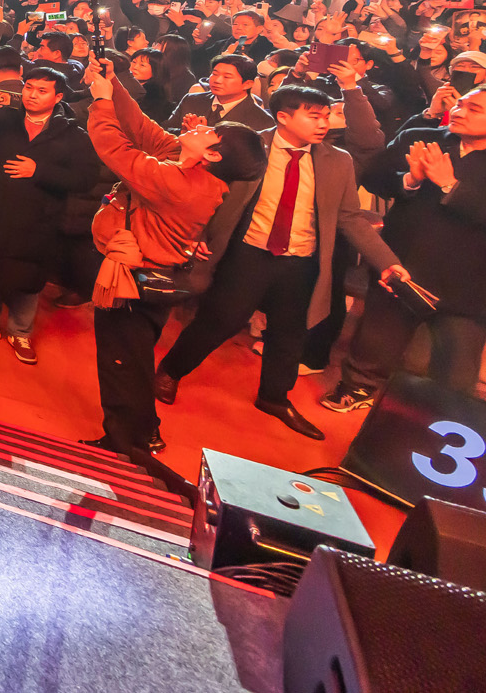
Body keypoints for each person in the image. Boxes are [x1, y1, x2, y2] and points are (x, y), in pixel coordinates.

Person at [151, 84, 396, 440]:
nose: (324, 123)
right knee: (219, 319)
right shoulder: (246, 146)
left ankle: (274, 397)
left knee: (290, 333)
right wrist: (197, 234)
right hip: (250, 250)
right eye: (314, 116)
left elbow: (350, 217)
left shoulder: (336, 160)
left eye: (326, 115)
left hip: (301, 259)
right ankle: (170, 371)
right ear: (283, 117)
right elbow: (202, 189)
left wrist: (386, 261)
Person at [78, 59, 265, 465]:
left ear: (212, 155)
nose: (199, 125)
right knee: (137, 358)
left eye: (210, 133)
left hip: (136, 278)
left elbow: (117, 149)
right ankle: (146, 432)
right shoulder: (188, 165)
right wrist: (112, 82)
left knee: (120, 360)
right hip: (153, 273)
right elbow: (143, 129)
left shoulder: (182, 184)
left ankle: (124, 442)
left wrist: (100, 103)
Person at [324, 82, 486, 409]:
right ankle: (357, 389)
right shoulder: (422, 137)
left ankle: (433, 424)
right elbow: (372, 176)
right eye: (461, 104)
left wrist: (451, 186)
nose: (459, 112)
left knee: (454, 371)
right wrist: (410, 179)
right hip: (403, 267)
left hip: (471, 286)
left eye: (473, 109)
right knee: (375, 344)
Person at [0, 65, 98, 363]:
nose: (31, 95)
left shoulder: (71, 133)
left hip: (36, 221)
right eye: (28, 87)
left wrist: (39, 171)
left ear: (57, 97)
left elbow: (86, 179)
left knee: (26, 277)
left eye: (41, 90)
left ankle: (21, 331)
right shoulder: (4, 118)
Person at [167, 53, 269, 132]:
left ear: (247, 84)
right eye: (214, 74)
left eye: (227, 77)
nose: (217, 80)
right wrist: (183, 132)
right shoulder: (191, 100)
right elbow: (165, 129)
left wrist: (204, 134)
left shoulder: (262, 120)